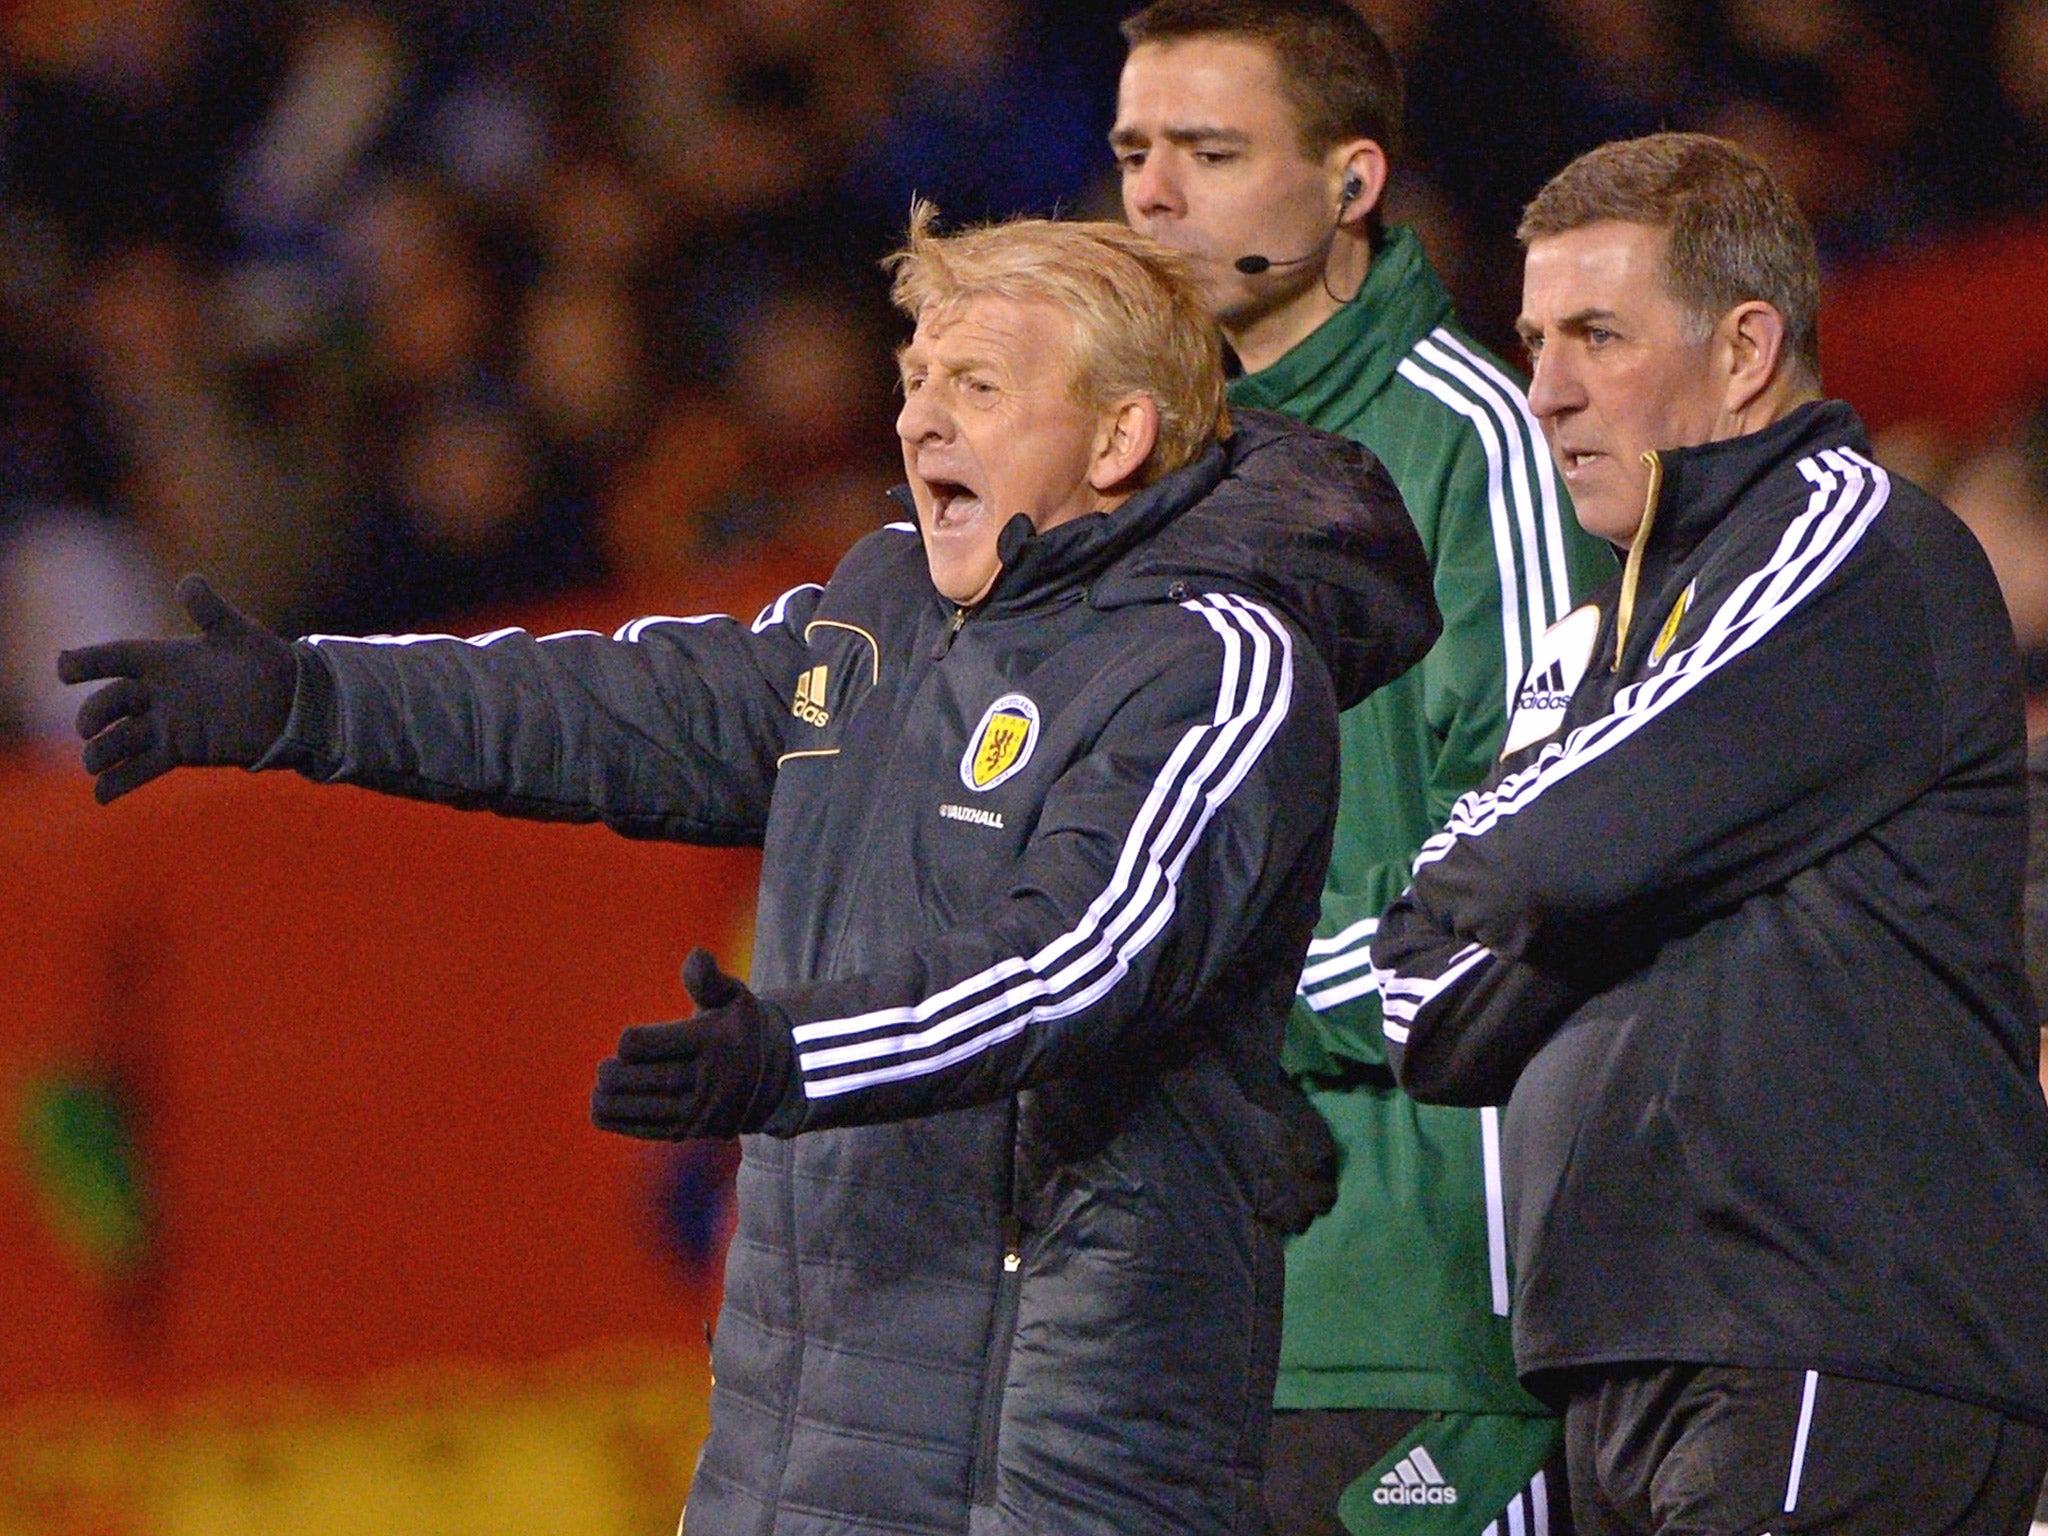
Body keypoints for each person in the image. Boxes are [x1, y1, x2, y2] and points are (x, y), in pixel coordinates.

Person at [60, 208, 1442, 1536]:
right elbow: (613, 703)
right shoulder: (883, 611)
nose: (920, 420)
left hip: (1059, 1449)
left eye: (975, 382)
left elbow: (1078, 958)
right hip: (801, 1428)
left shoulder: (1215, 658)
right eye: (914, 381)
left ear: (1121, 432)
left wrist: (795, 1055)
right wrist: (308, 699)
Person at [1371, 132, 2048, 1535]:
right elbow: (1426, 1005)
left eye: (1598, 337)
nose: (1545, 391)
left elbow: (1527, 862)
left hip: (1827, 1336)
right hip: (1631, 1349)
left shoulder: (1850, 545)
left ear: (1746, 349)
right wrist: (1605, 857)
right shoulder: (1607, 634)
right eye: (1534, 339)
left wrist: (1580, 871)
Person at [1110, 3, 1614, 1530]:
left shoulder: (1481, 439)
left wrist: (1216, 991)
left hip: (1417, 1294)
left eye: (1210, 151)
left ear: (1351, 184)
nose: (1153, 194)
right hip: (1162, 1304)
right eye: (1134, 150)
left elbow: (1529, 845)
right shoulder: (1124, 463)